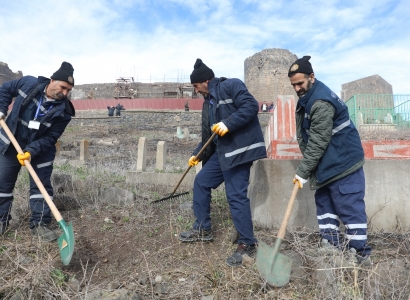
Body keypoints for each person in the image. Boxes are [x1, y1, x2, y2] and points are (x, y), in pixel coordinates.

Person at [178, 58, 266, 267]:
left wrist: (228, 123)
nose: (196, 90)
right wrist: (197, 153)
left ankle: (248, 243)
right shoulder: (208, 103)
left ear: (206, 80)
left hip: (239, 152)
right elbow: (210, 134)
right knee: (201, 181)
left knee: (235, 195)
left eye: (196, 85)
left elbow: (250, 106)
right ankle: (203, 228)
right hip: (222, 153)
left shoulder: (231, 85)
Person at [288, 56, 371, 266]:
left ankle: (360, 255)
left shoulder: (321, 102)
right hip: (327, 164)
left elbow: (318, 141)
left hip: (343, 163)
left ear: (312, 77)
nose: (297, 88)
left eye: (300, 83)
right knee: (324, 203)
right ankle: (331, 245)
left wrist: (303, 171)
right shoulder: (308, 98)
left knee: (349, 206)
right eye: (293, 85)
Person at [0, 62, 75, 242]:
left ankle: (40, 224)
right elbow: (4, 89)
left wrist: (31, 151)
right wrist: (1, 109)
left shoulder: (64, 112)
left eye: (68, 90)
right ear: (52, 80)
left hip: (40, 150)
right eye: (63, 87)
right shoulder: (28, 84)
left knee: (41, 187)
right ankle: (1, 221)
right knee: (2, 183)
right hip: (12, 143)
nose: (65, 93)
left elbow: (50, 138)